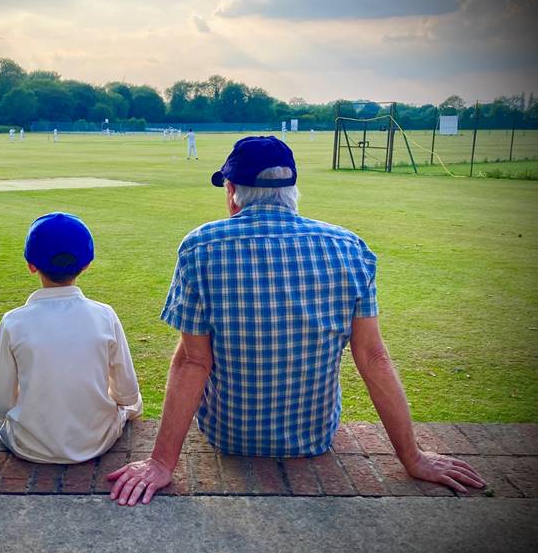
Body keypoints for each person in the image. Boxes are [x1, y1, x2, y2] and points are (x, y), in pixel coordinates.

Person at [107, 136, 484, 506]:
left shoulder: (201, 246)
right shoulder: (349, 247)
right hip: (314, 437)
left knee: (193, 346)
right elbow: (373, 359)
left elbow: (194, 362)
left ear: (232, 190)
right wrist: (413, 458)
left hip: (229, 434)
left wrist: (160, 463)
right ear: (292, 189)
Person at [0, 212, 143, 464]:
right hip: (98, 441)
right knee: (133, 405)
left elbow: (0, 405)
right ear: (86, 264)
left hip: (28, 446)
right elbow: (127, 396)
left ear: (31, 265)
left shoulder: (14, 321)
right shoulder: (104, 315)